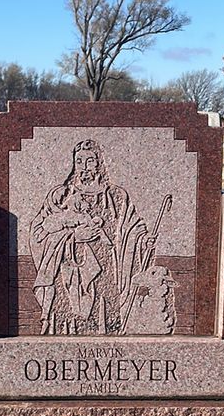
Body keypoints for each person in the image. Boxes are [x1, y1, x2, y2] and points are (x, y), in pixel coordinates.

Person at [29, 139, 156, 335]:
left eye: (90, 161)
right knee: (69, 317)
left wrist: (143, 241)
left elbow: (133, 227)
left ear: (99, 163)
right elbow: (39, 231)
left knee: (106, 315)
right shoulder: (61, 196)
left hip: (108, 268)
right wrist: (73, 236)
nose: (84, 167)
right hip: (71, 264)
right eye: (79, 161)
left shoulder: (116, 196)